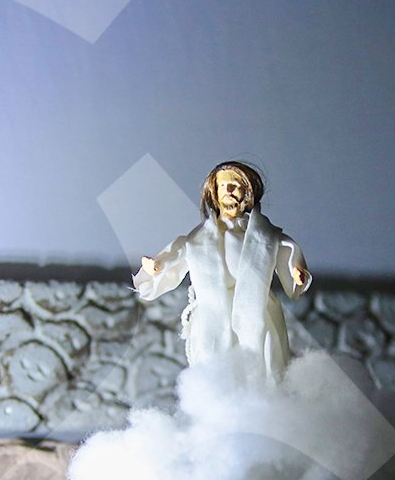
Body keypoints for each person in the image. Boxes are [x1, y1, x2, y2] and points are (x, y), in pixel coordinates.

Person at [133, 161, 311, 379]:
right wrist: (158, 266)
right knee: (214, 369)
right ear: (214, 193)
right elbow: (177, 253)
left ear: (249, 191)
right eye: (222, 186)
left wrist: (296, 272)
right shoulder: (198, 239)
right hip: (212, 314)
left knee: (262, 366)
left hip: (256, 309)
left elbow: (286, 252)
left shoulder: (265, 236)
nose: (229, 190)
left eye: (235, 185)